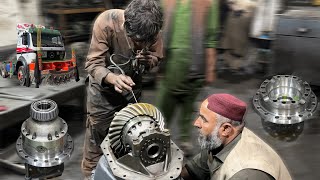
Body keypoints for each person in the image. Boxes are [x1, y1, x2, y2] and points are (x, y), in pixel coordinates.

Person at [81, 0, 163, 179]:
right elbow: (93, 64)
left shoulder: (152, 27)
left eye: (148, 41)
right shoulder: (106, 22)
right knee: (96, 147)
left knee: (128, 144)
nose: (141, 46)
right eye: (138, 41)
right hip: (103, 96)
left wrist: (149, 61)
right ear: (126, 26)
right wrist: (112, 78)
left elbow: (157, 56)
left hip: (131, 94)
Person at [156, 0, 219, 154]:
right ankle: (158, 137)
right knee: (164, 106)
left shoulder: (209, 2)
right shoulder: (167, 1)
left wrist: (210, 68)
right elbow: (158, 30)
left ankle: (184, 138)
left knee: (188, 105)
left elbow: (211, 38)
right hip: (170, 64)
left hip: (194, 64)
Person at [181, 93, 292, 180]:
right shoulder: (218, 140)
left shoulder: (247, 173)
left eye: (204, 120)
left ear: (226, 129)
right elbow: (193, 171)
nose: (196, 123)